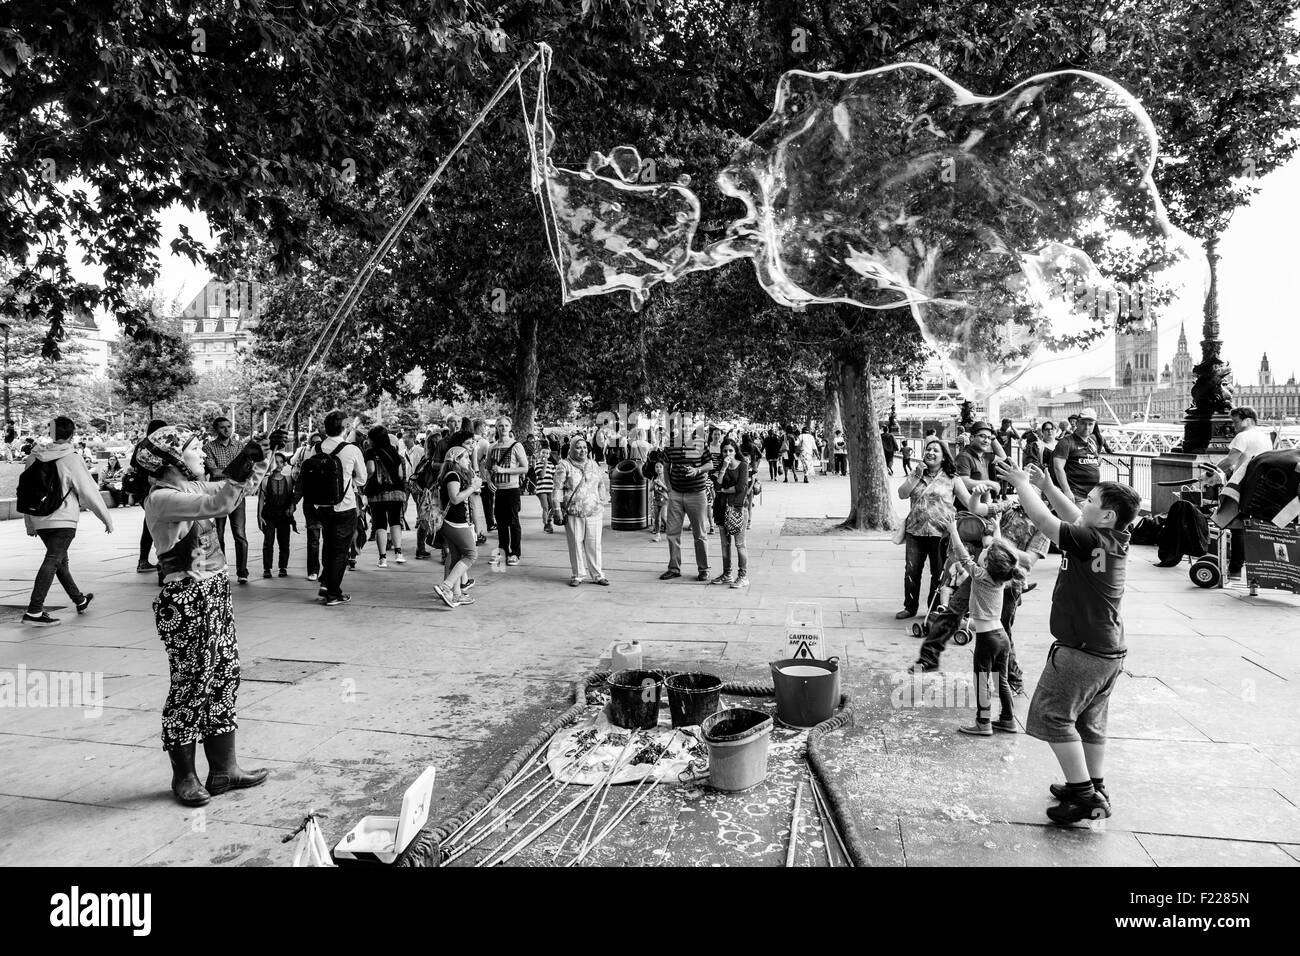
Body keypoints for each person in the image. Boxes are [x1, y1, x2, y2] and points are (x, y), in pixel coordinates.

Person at [136, 424, 281, 806]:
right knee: (191, 682)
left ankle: (224, 770)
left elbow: (233, 494)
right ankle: (184, 776)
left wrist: (257, 458)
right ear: (172, 459)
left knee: (224, 673)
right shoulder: (162, 498)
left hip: (214, 588)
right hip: (185, 596)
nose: (202, 455)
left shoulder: (191, 487)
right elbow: (218, 504)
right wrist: (240, 465)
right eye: (195, 449)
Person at [1000, 458, 1141, 826]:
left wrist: (1022, 485)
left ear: (1108, 516)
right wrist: (1048, 488)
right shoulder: (1111, 537)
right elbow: (1075, 517)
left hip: (1082, 652)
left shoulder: (1089, 538)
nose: (1083, 505)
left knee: (1054, 715)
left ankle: (1083, 797)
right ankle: (1094, 784)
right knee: (1090, 722)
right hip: (1107, 651)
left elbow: (1046, 523)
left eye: (1091, 501)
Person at [19, 416, 113, 627]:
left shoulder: (33, 457)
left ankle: (79, 600)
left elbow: (26, 493)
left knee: (60, 561)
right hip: (64, 518)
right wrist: (106, 518)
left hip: (40, 518)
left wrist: (30, 523)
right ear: (71, 434)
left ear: (51, 433)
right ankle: (34, 611)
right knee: (53, 560)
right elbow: (88, 491)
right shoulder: (72, 457)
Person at [944, 518, 1024, 736]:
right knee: (1002, 680)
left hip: (987, 639)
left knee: (982, 681)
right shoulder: (1002, 575)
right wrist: (997, 526)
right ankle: (1008, 720)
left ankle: (983, 722)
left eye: (986, 551)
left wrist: (953, 530)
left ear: (987, 562)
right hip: (1002, 637)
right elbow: (1002, 550)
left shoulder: (980, 575)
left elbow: (963, 556)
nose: (984, 550)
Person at [1210, 406, 1275, 579]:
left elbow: (1230, 460)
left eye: (1235, 422)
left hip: (1242, 487)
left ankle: (1235, 569)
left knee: (1236, 527)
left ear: (1248, 420)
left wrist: (1210, 473)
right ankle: (1254, 568)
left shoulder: (1242, 436)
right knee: (1251, 527)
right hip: (1261, 487)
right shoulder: (1265, 437)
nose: (1233, 426)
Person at [312, 412, 368, 606]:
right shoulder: (351, 450)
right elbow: (362, 479)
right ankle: (333, 593)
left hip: (322, 506)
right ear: (345, 427)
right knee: (340, 551)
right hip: (345, 506)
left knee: (328, 544)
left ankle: (326, 584)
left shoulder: (316, 447)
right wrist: (348, 481)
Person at [551, 435, 611, 586]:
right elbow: (557, 488)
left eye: (584, 447)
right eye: (578, 447)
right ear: (571, 449)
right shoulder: (564, 465)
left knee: (594, 544)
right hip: (573, 511)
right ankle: (578, 574)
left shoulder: (593, 464)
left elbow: (600, 484)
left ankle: (597, 575)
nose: (582, 450)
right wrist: (557, 509)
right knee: (575, 543)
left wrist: (602, 500)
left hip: (594, 511)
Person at [657, 424, 713, 581]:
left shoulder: (700, 443)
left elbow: (710, 464)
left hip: (697, 494)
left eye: (689, 425)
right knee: (672, 532)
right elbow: (666, 467)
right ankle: (674, 568)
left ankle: (704, 569)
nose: (686, 428)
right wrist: (669, 489)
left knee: (700, 534)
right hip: (676, 494)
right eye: (683, 426)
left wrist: (697, 470)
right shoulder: (671, 444)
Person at [432, 442, 482, 608]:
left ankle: (456, 594)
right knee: (470, 555)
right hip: (456, 523)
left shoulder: (454, 474)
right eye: (465, 457)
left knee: (456, 557)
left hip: (452, 522)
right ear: (456, 459)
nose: (467, 460)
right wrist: (472, 488)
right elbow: (455, 498)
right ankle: (446, 586)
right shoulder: (453, 475)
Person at [203, 417, 251, 584]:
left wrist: (234, 471)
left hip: (237, 494)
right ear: (216, 430)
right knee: (219, 534)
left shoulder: (239, 446)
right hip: (218, 496)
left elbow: (246, 469)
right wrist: (235, 471)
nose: (226, 430)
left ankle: (242, 571)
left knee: (240, 534)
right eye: (222, 427)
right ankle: (222, 569)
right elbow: (214, 472)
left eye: (229, 427)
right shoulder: (208, 448)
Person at [486, 415, 530, 566]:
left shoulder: (516, 446)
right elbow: (487, 468)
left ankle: (515, 553)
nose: (503, 428)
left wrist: (504, 471)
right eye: (500, 426)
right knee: (501, 522)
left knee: (513, 521)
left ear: (510, 427)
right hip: (498, 490)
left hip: (512, 489)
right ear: (496, 428)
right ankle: (503, 550)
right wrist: (489, 481)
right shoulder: (492, 447)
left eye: (506, 425)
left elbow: (525, 468)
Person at [364, 424, 407, 568]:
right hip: (396, 492)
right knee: (395, 522)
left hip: (377, 493)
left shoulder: (370, 452)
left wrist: (365, 483)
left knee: (380, 524)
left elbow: (370, 470)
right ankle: (398, 553)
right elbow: (400, 474)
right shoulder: (394, 452)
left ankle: (382, 558)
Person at [711, 439, 751, 588]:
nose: (727, 454)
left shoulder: (743, 466)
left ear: (735, 451)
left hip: (737, 509)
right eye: (725, 451)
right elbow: (716, 485)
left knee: (739, 544)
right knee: (725, 544)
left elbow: (741, 488)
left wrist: (724, 490)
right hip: (721, 508)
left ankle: (743, 576)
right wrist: (724, 467)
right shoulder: (722, 466)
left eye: (730, 451)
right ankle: (727, 574)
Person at [289, 431, 324, 579]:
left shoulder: (330, 462)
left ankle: (327, 570)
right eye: (314, 443)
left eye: (319, 443)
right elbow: (300, 486)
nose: (316, 446)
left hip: (328, 506)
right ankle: (313, 570)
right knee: (314, 539)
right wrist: (294, 503)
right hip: (311, 505)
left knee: (328, 540)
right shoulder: (307, 465)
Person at [1051, 408, 1102, 504]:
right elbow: (1058, 468)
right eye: (1083, 423)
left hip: (1091, 495)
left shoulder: (1091, 442)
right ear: (1077, 423)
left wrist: (1096, 461)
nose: (1087, 427)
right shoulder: (1066, 442)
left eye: (1090, 424)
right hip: (1075, 495)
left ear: (1094, 425)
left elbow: (1094, 459)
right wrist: (1067, 491)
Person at [257, 452, 295, 578]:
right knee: (268, 542)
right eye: (275, 462)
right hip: (269, 515)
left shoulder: (289, 480)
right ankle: (267, 568)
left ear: (284, 464)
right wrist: (259, 516)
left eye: (280, 462)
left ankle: (283, 567)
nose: (278, 464)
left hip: (284, 516)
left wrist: (291, 509)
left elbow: (291, 498)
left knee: (284, 542)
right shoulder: (265, 480)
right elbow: (261, 499)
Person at [649, 459, 669, 542]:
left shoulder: (666, 478)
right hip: (656, 500)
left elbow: (669, 490)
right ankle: (658, 534)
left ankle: (670, 530)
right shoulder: (654, 477)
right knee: (657, 518)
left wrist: (661, 484)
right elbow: (650, 489)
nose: (658, 468)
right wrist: (653, 485)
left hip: (664, 499)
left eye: (660, 467)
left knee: (663, 517)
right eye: (656, 467)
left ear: (663, 468)